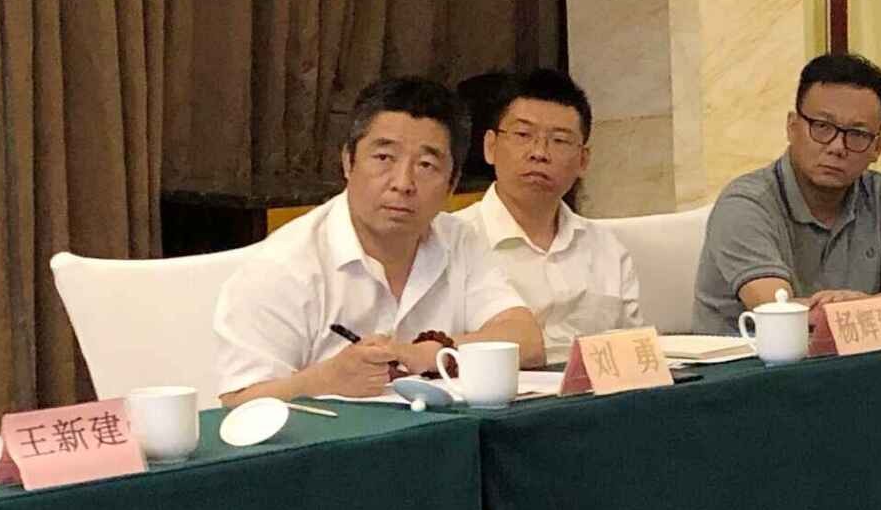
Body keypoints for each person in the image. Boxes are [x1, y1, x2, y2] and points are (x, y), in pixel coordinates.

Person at [214, 77, 543, 403]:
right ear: (348, 162)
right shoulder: (284, 264)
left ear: (452, 183)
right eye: (384, 158)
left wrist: (430, 353)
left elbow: (527, 341)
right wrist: (323, 381)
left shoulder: (458, 239)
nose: (403, 183)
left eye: (426, 164)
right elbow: (237, 400)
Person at [692, 51, 881, 326]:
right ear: (792, 127)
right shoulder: (745, 204)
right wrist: (869, 308)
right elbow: (780, 313)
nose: (837, 147)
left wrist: (860, 306)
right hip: (751, 353)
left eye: (857, 134)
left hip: (856, 351)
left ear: (877, 148)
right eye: (822, 127)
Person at [463, 66, 639, 352]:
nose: (539, 153)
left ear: (583, 160)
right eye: (523, 134)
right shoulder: (455, 242)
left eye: (559, 140)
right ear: (490, 147)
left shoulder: (608, 249)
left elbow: (634, 352)